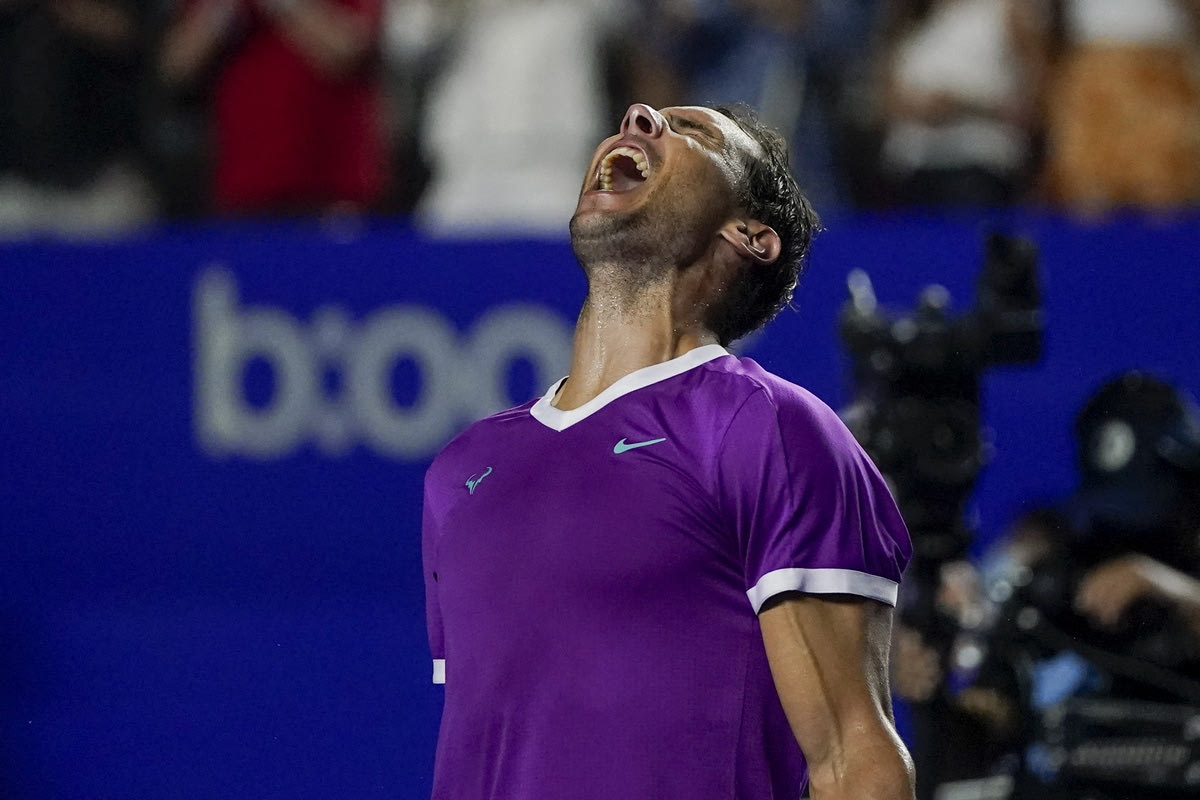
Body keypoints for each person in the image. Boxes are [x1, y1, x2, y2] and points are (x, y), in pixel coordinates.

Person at [422, 102, 915, 799]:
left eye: (695, 132)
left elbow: (854, 761)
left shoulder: (769, 428)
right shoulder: (461, 469)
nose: (639, 117)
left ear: (750, 236)